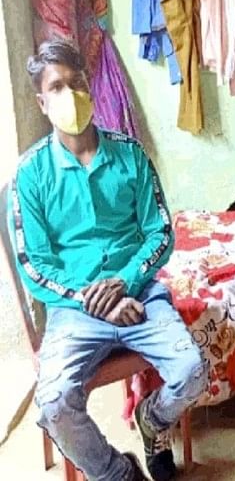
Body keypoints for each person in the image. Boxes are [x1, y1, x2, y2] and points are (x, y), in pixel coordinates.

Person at [9, 38, 207, 481]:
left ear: (91, 88)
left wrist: (126, 280)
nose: (70, 96)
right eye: (57, 88)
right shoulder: (31, 174)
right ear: (42, 102)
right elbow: (35, 265)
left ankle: (153, 421)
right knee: (55, 402)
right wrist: (93, 300)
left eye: (76, 83)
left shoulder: (131, 155)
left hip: (139, 295)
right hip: (75, 312)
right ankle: (117, 473)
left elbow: (160, 232)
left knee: (193, 371)